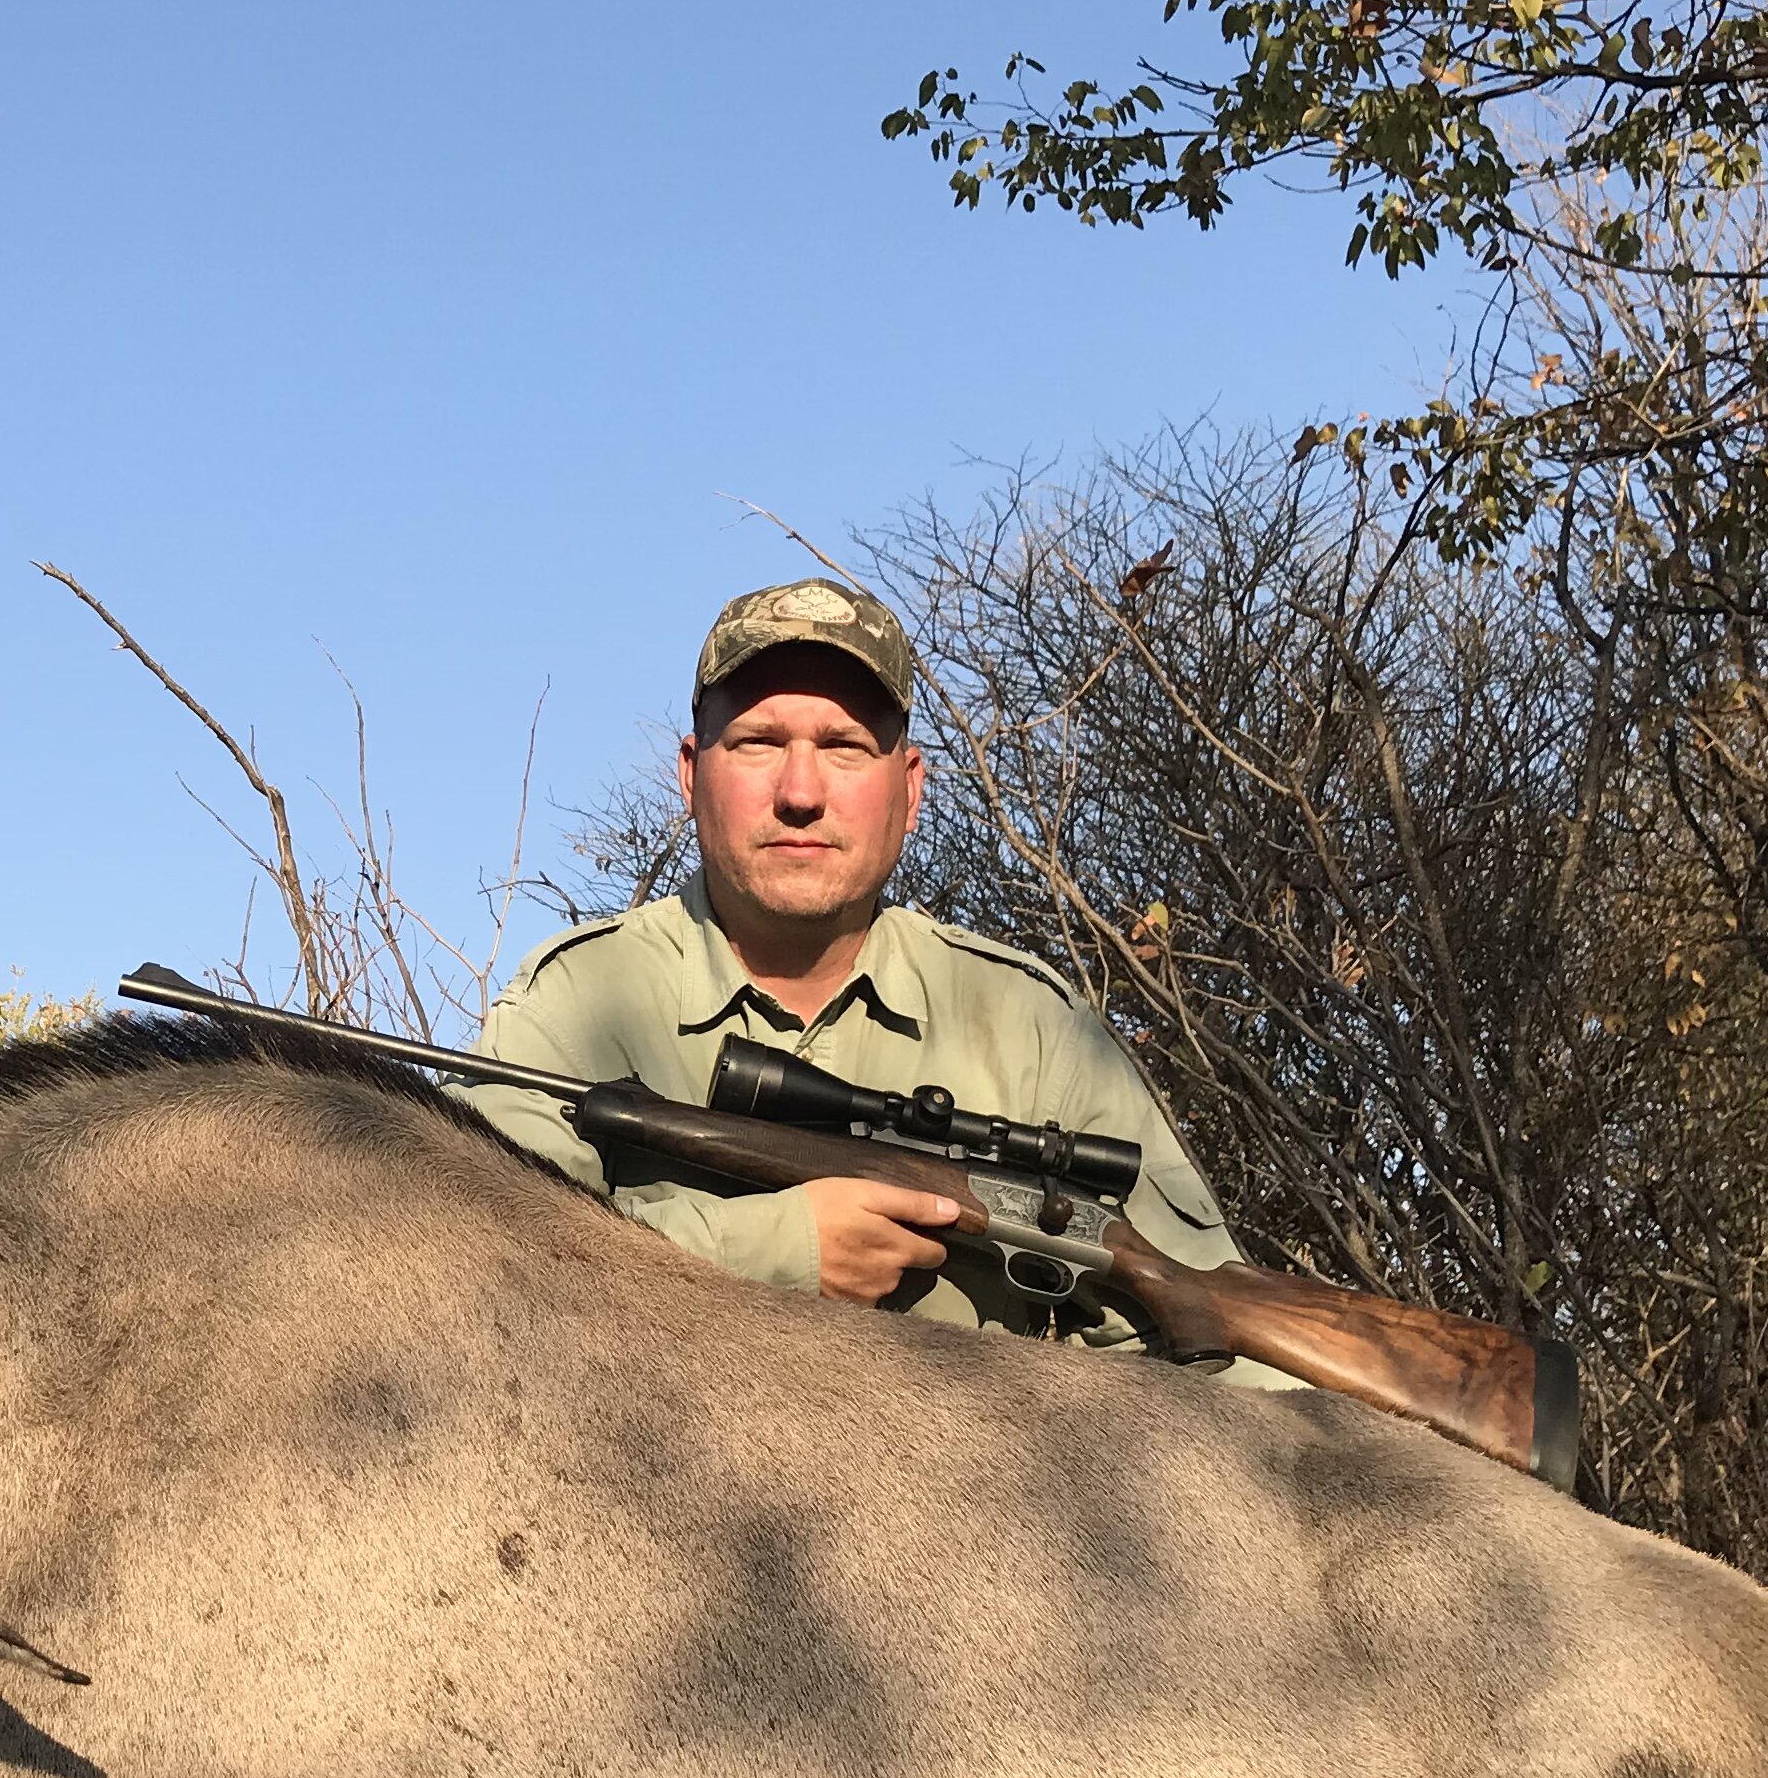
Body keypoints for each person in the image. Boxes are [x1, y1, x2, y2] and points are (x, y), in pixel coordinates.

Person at [455, 577, 1285, 1368]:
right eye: (758, 742)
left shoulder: (1028, 1021)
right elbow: (476, 1273)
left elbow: (1235, 1356)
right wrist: (781, 1249)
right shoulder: (575, 1001)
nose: (801, 792)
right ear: (689, 774)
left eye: (846, 747)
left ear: (911, 790)